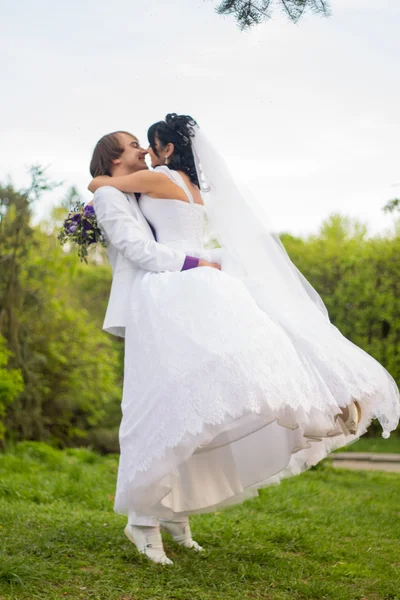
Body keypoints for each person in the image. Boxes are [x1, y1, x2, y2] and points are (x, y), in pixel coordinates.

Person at [89, 114, 400, 566]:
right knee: (176, 398)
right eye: (133, 144)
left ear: (167, 149)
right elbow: (136, 246)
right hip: (168, 294)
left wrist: (100, 181)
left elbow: (102, 187)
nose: (142, 150)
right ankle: (147, 517)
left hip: (183, 288)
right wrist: (206, 263)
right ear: (117, 155)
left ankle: (175, 511)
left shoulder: (147, 182)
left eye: (147, 143)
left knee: (208, 393)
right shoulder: (154, 188)